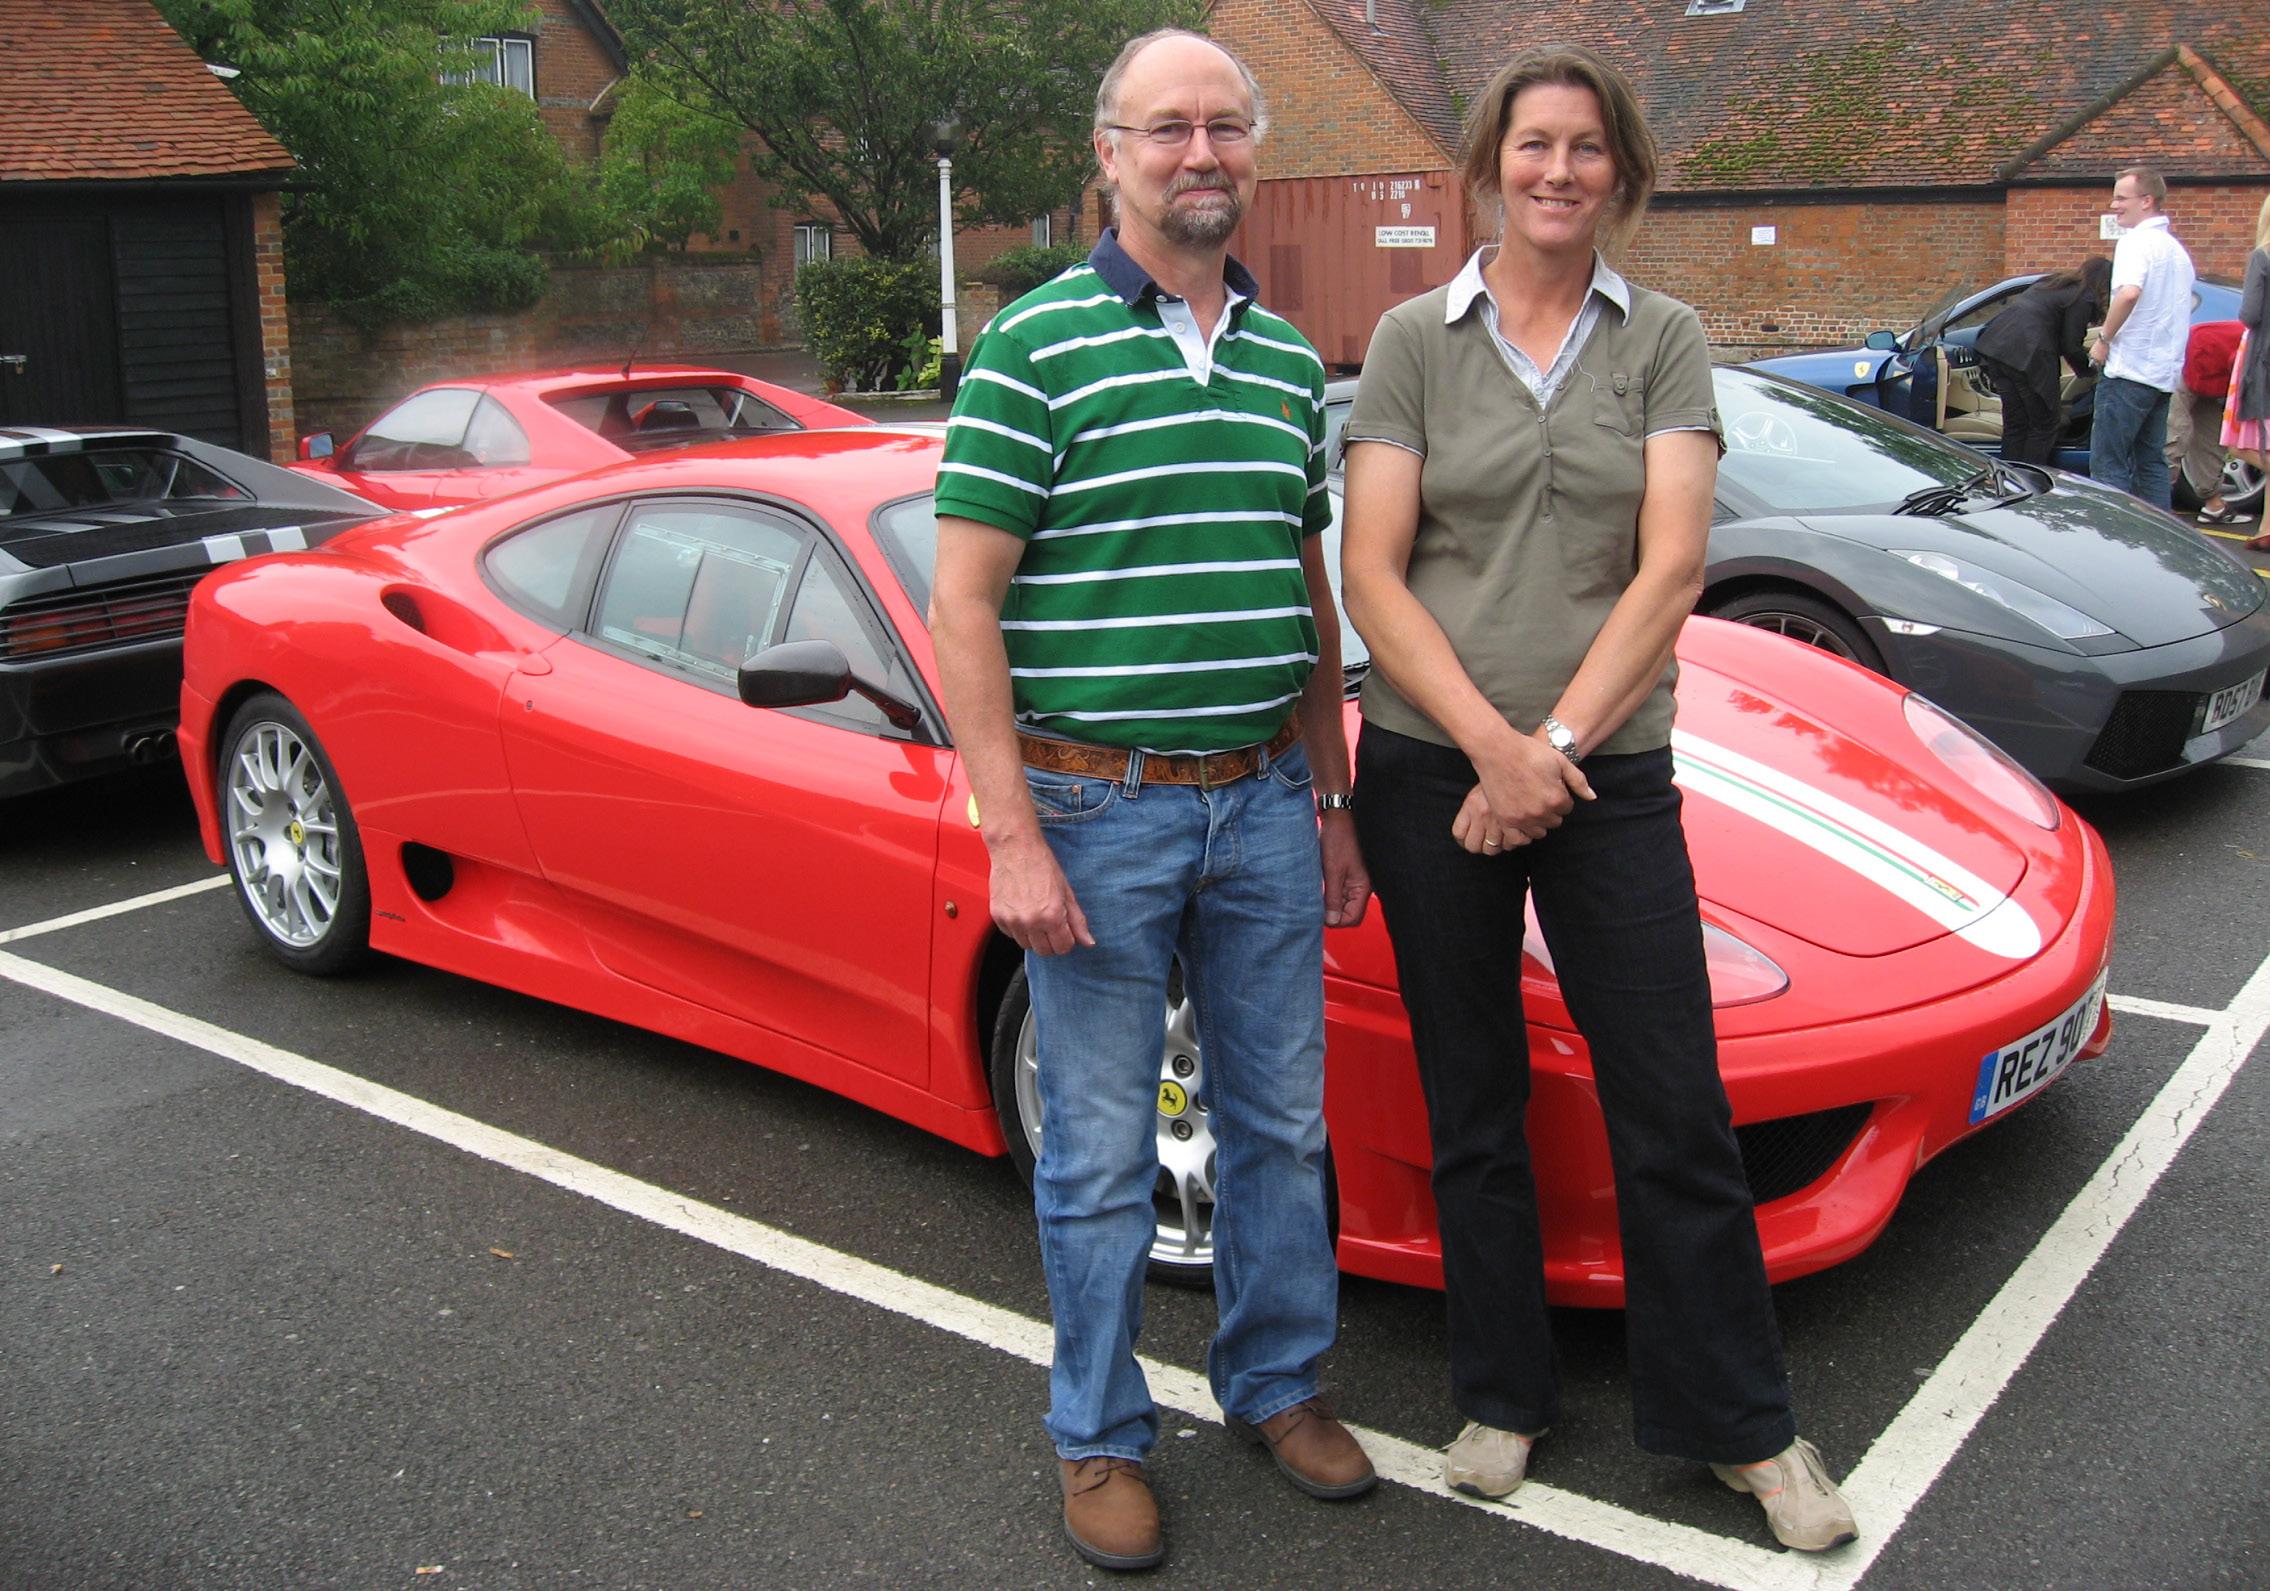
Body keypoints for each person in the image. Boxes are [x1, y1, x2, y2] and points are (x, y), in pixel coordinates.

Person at [1338, 43, 1857, 1554]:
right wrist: (1488, 749)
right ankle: (1501, 1393)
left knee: (1670, 1100)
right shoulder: (1411, 341)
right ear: (1487, 166)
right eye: (1531, 144)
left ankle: (1740, 1425)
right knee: (1473, 1096)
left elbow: (1672, 564)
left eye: (1583, 147)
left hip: (1607, 770)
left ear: (1618, 171)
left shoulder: (1663, 337)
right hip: (1433, 767)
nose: (1556, 170)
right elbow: (1371, 568)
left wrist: (1550, 746)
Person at [927, 27, 1375, 1574]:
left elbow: (1302, 587)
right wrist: (1009, 835)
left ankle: (1276, 1381)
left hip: (1260, 801)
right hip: (1093, 808)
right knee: (1100, 1152)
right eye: (1167, 127)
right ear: (1108, 155)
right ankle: (1099, 1433)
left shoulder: (1281, 357)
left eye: (1224, 126)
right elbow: (963, 607)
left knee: (1280, 1126)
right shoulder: (1032, 346)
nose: (1201, 152)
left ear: (1253, 152)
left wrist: (1330, 792)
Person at [2087, 167, 2196, 506]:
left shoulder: (2135, 242)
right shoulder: (2177, 252)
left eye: (2121, 198)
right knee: (2151, 463)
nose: (2114, 205)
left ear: (2147, 201)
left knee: (2108, 464)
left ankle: (2114, 532)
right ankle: (2158, 533)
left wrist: (2104, 339)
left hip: (2128, 370)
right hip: (2162, 374)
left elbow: (2129, 293)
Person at [1973, 257, 2111, 466]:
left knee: (2016, 423)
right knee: (2044, 424)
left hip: (1996, 347)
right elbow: (2071, 345)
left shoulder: (2053, 283)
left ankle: (2009, 477)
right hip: (2029, 354)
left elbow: (2061, 337)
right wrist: (2090, 371)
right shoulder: (2084, 297)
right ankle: (2031, 477)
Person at [2226, 193, 2270, 550]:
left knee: (2240, 444)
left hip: (2263, 356)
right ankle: (2266, 529)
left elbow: (2250, 313)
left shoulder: (2263, 256)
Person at [2167, 319, 2244, 523]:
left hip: (2212, 375)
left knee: (2210, 438)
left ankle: (2214, 507)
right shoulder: (2261, 342)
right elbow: (2242, 369)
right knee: (2175, 434)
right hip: (2189, 362)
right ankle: (2156, 506)